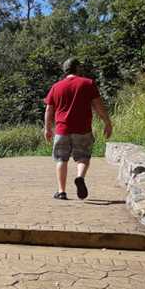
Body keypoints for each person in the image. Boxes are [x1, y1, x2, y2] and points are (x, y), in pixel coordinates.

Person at [43, 57, 113, 200]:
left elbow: (49, 110)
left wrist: (47, 128)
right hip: (83, 129)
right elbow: (98, 105)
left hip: (62, 129)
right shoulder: (88, 83)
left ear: (65, 70)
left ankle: (61, 191)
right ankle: (80, 177)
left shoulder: (56, 87)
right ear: (78, 68)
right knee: (83, 157)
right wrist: (107, 122)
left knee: (61, 159)